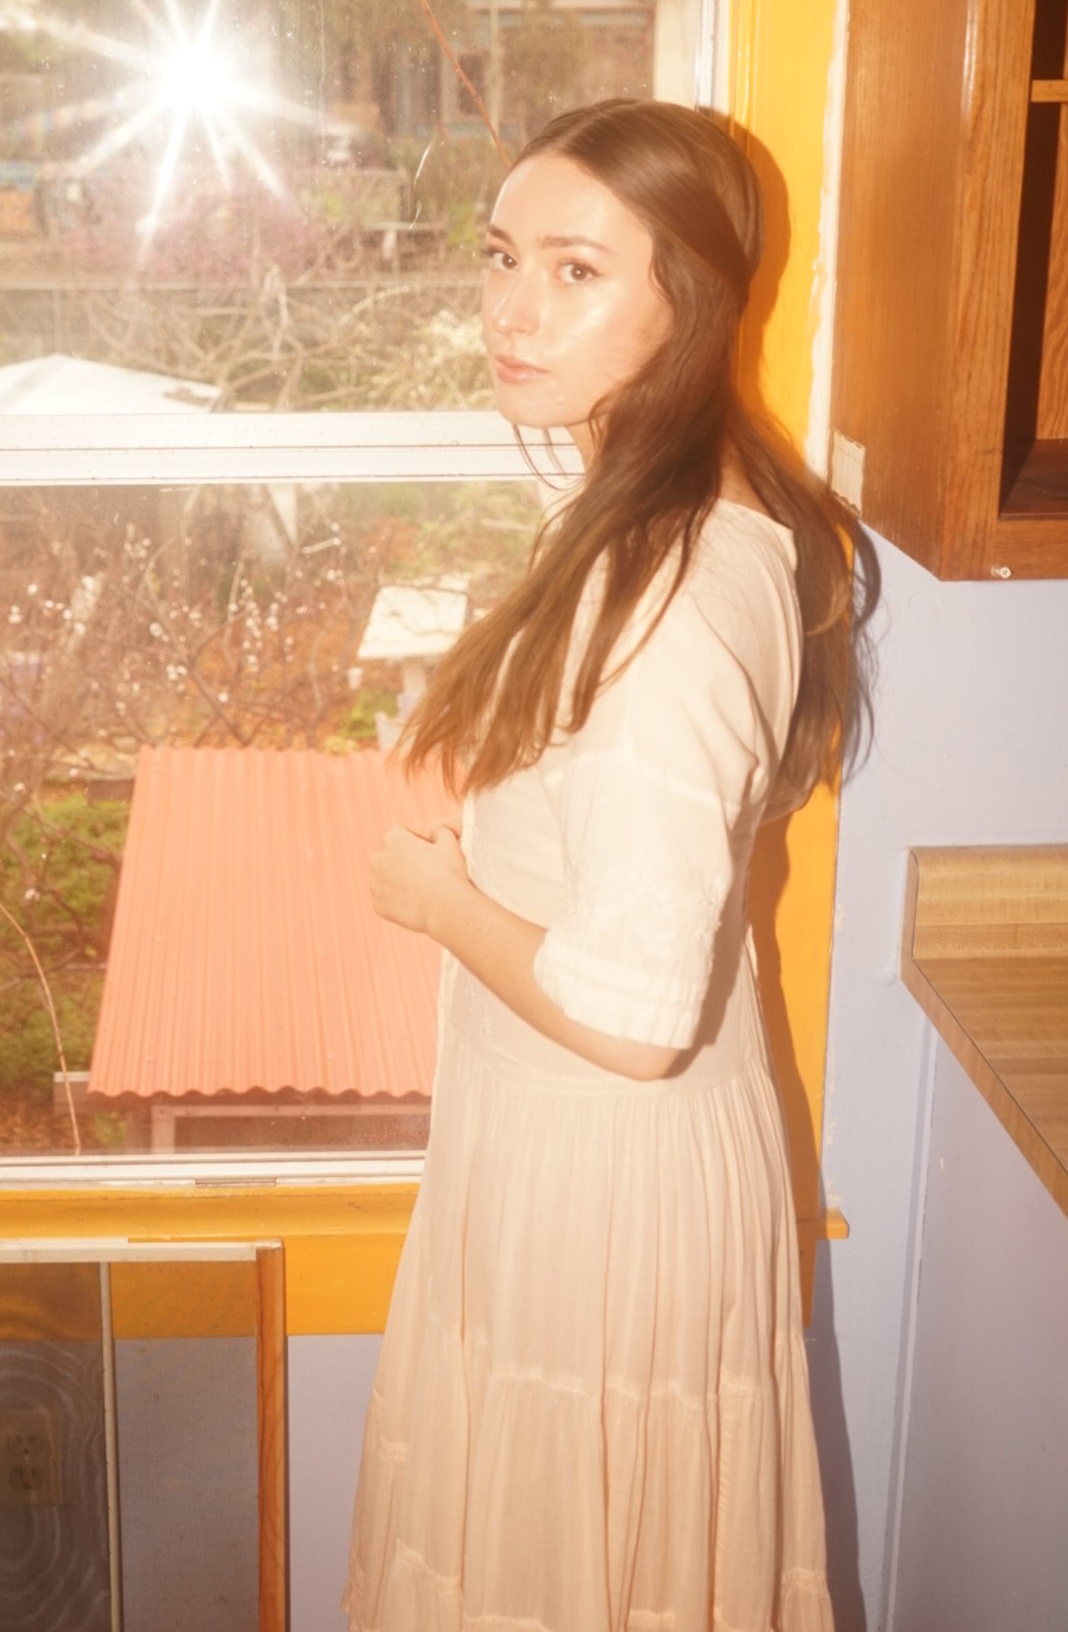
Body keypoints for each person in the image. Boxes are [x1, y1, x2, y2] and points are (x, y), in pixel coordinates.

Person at [344, 99, 875, 1632]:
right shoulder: (668, 513)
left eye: (577, 271)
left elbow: (634, 1015)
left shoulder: (676, 590)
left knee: (566, 1580)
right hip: (578, 1151)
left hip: (606, 1170)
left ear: (687, 301)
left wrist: (443, 902)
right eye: (504, 256)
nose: (513, 308)